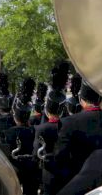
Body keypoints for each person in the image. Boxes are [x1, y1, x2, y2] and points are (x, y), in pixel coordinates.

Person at [54, 81, 102, 194]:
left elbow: (60, 157)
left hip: (79, 184)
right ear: (101, 99)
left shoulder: (68, 123)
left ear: (81, 100)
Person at [33, 63, 68, 195]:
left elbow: (36, 153)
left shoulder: (41, 128)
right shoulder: (68, 125)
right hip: (66, 172)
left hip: (48, 173)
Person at [4, 82, 38, 195]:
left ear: (15, 115)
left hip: (13, 172)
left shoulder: (8, 132)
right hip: (32, 171)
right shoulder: (35, 130)